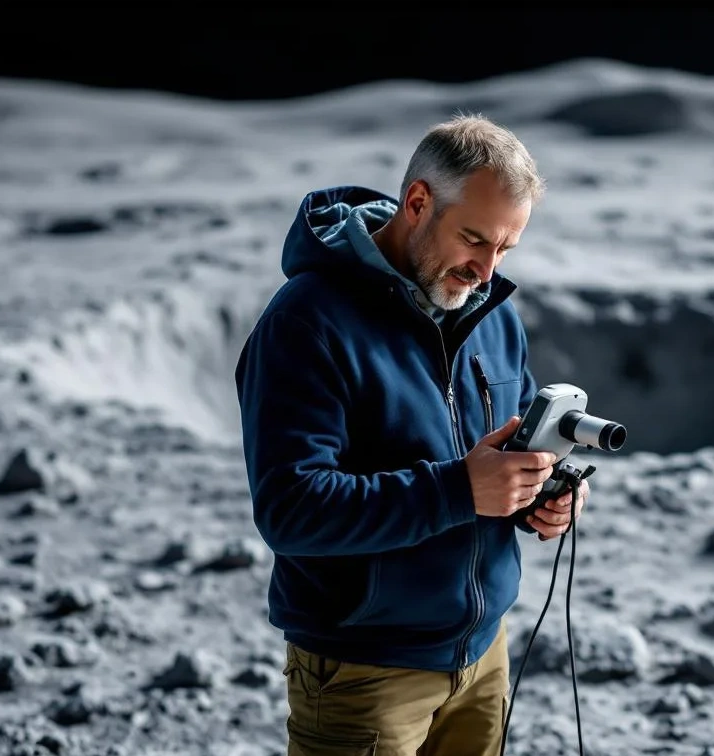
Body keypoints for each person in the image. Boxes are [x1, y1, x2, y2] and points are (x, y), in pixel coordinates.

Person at [234, 114, 590, 755]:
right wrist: (460, 490)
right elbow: (290, 510)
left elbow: (501, 455)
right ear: (418, 202)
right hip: (365, 671)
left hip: (483, 655)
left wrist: (537, 495)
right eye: (474, 239)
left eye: (506, 248)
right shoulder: (306, 324)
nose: (487, 270)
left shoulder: (492, 314)